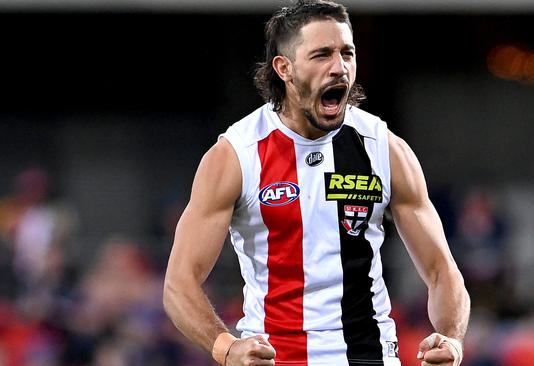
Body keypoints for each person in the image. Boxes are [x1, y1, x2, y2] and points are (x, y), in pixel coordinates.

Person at [163, 1, 470, 365]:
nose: (339, 68)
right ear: (284, 68)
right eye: (322, 55)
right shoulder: (237, 155)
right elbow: (178, 284)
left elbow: (441, 269)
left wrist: (451, 338)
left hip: (369, 355)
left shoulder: (384, 149)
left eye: (347, 53)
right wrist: (226, 347)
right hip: (278, 358)